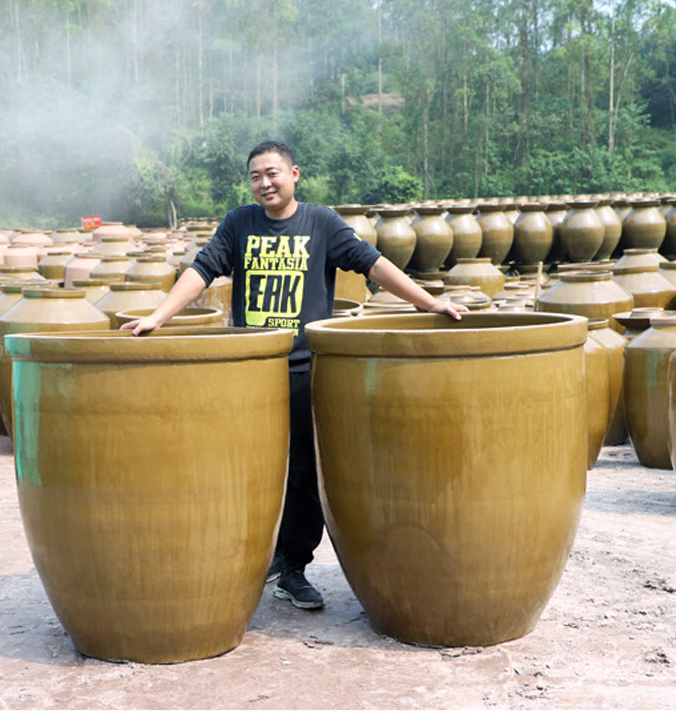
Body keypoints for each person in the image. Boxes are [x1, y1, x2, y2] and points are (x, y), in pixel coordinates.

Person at [122, 140, 468, 610]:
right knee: (246, 470)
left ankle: (293, 568)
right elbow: (201, 270)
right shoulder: (239, 224)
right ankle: (251, 557)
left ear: (294, 174)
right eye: (255, 177)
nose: (264, 183)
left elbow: (372, 264)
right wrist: (158, 317)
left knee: (303, 473)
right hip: (251, 372)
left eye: (272, 173)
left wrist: (430, 302)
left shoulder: (321, 223)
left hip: (304, 371)